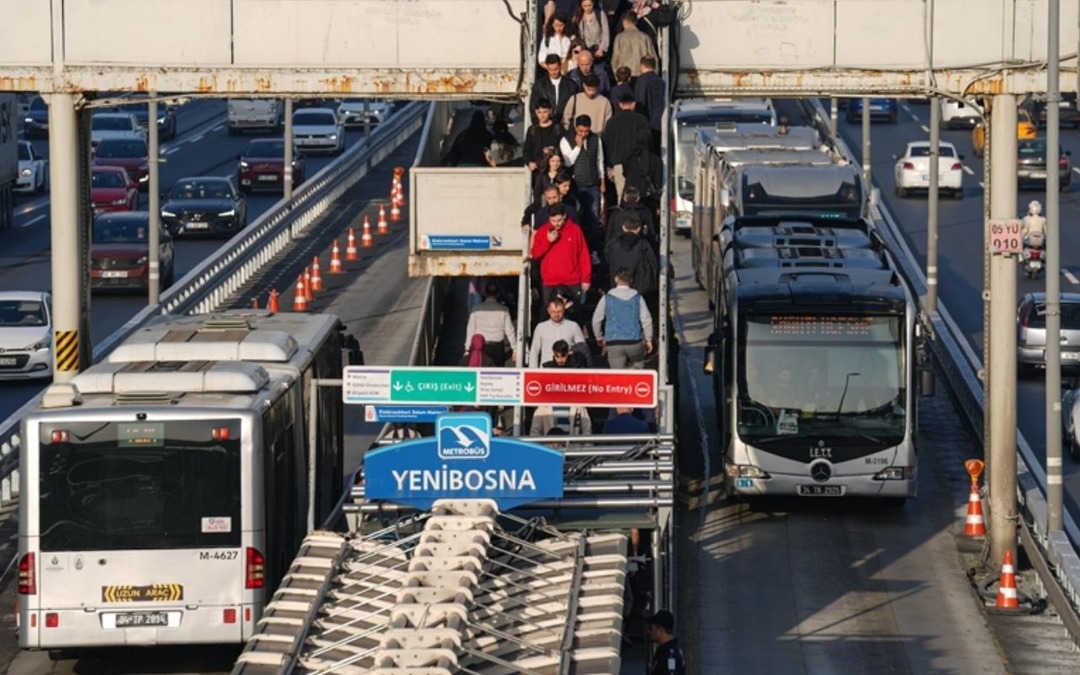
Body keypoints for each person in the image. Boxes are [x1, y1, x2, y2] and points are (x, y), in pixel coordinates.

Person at [530, 203, 593, 306]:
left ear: (564, 216)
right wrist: (547, 241)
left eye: (559, 220)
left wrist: (586, 279)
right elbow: (535, 254)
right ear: (549, 218)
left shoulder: (575, 230)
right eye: (553, 220)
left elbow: (583, 255)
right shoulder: (542, 231)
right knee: (551, 312)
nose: (556, 224)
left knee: (573, 312)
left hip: (572, 281)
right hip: (550, 282)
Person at [592, 267, 654, 368]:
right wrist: (648, 339)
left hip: (614, 342)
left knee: (618, 375)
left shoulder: (606, 298)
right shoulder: (638, 298)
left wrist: (599, 337)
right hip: (635, 341)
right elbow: (646, 320)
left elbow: (596, 320)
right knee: (638, 368)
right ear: (631, 280)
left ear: (616, 279)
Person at [560, 114, 606, 243]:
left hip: (592, 183)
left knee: (593, 217)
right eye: (581, 131)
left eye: (586, 131)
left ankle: (594, 247)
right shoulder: (566, 140)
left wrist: (602, 181)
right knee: (576, 216)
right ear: (576, 128)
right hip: (575, 184)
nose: (584, 134)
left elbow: (599, 161)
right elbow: (568, 162)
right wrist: (578, 146)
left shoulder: (595, 139)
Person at [603, 91, 652, 203]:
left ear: (620, 104)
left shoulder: (611, 122)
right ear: (634, 104)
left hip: (618, 163)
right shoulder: (641, 120)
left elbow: (607, 144)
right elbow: (647, 142)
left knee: (621, 195)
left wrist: (608, 166)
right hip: (638, 163)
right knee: (637, 195)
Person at [464, 281, 518, 366]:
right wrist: (515, 349)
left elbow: (470, 330)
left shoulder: (476, 309)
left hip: (481, 347)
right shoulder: (504, 310)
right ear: (498, 294)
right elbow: (510, 331)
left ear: (485, 293)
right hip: (497, 347)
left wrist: (467, 349)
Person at [529, 296, 587, 367]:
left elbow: (582, 349)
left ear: (564, 310)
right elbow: (534, 351)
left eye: (559, 312)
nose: (556, 314)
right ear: (548, 310)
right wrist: (532, 370)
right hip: (546, 369)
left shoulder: (573, 326)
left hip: (568, 368)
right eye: (553, 312)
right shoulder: (540, 327)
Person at [531, 53, 581, 126]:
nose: (553, 72)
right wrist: (537, 124)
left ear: (560, 66)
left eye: (556, 69)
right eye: (550, 70)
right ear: (547, 67)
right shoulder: (539, 85)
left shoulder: (571, 85)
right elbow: (533, 106)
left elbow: (576, 105)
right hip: (546, 125)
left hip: (565, 124)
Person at [523, 98, 565, 175]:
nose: (542, 115)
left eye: (545, 112)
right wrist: (529, 162)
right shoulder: (532, 130)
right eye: (539, 112)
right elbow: (527, 150)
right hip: (538, 170)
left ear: (550, 111)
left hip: (555, 170)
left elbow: (565, 149)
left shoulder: (558, 128)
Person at [633, 55, 665, 152]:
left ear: (642, 66)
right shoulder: (661, 82)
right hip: (658, 122)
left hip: (645, 122)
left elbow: (640, 100)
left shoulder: (642, 80)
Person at [610, 11, 655, 78]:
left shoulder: (619, 38)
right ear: (636, 22)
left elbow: (615, 60)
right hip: (642, 74)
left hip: (624, 75)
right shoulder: (645, 37)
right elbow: (652, 59)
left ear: (624, 22)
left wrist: (617, 76)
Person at [645, 610, 686, 675]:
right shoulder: (666, 650)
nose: (648, 632)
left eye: (651, 629)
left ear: (660, 629)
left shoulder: (670, 656)